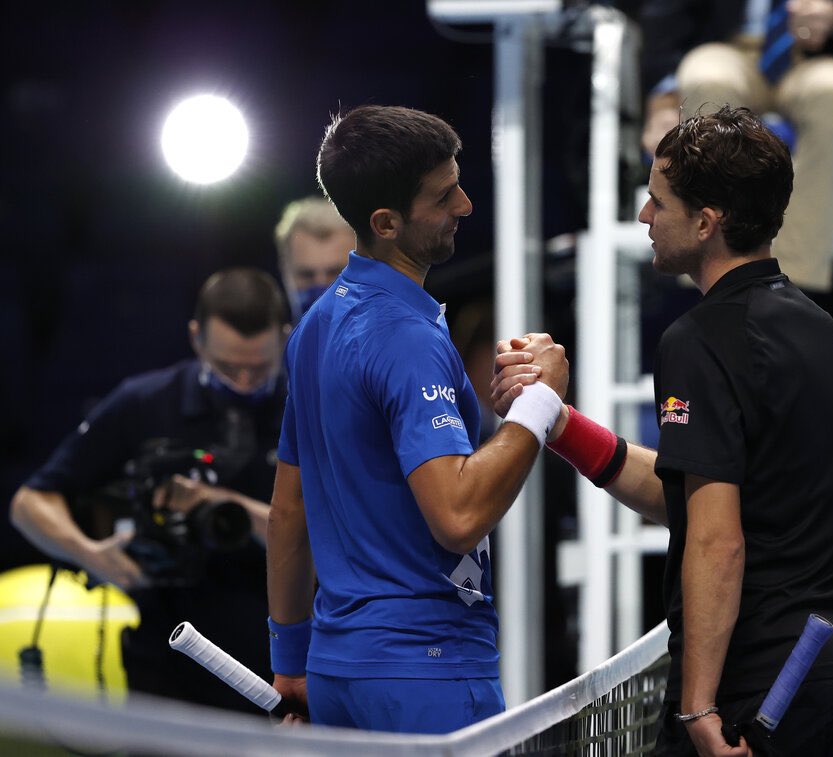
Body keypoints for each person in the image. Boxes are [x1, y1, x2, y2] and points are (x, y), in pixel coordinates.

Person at [493, 106, 833, 756]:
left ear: (707, 222)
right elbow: (693, 490)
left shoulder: (699, 341)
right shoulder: (816, 327)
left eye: (658, 201)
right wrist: (557, 423)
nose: (646, 217)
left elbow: (716, 538)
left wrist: (698, 705)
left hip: (759, 689)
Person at [266, 104, 569, 734]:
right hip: (426, 673)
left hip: (337, 672)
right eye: (443, 196)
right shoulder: (406, 337)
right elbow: (457, 517)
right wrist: (541, 406)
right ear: (386, 222)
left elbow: (288, 513)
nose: (464, 204)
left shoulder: (314, 327)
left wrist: (290, 661)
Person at [9, 267, 291, 713]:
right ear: (196, 338)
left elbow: (334, 533)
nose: (242, 382)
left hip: (286, 659)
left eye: (258, 369)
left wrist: (227, 505)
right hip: (166, 659)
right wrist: (91, 553)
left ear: (285, 337)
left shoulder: (313, 402)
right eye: (226, 367)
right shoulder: (145, 402)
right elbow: (31, 502)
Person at [637, 0, 833, 303]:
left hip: (828, 56)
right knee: (706, 77)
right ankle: (714, 285)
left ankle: (785, 296)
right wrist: (662, 101)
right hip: (732, 48)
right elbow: (665, 14)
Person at [274, 195, 356, 323]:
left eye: (335, 273)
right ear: (285, 271)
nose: (321, 285)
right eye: (306, 275)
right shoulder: (268, 342)